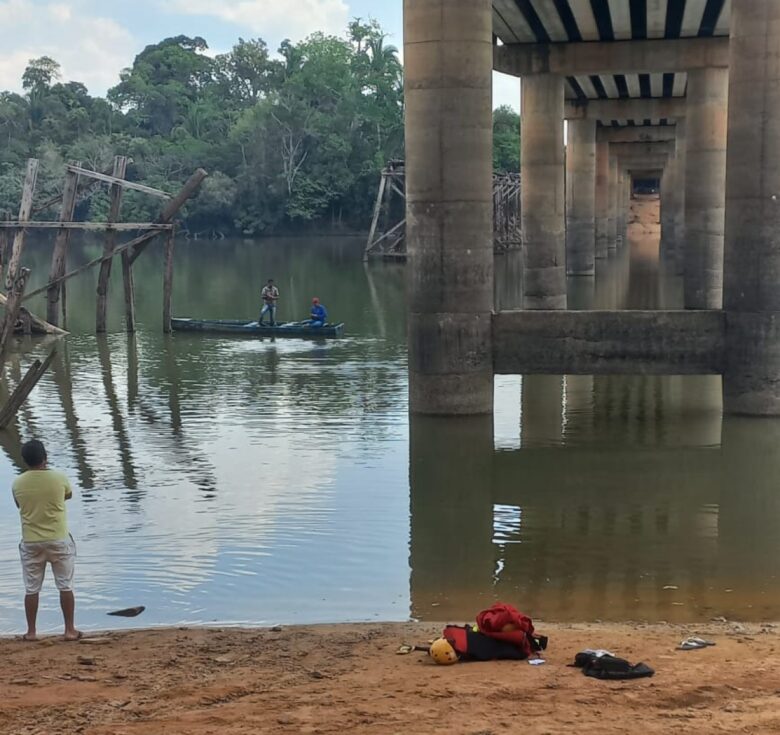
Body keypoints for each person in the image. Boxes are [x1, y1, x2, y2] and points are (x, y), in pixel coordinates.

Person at [12, 440, 80, 641]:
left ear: (24, 460)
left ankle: (31, 632)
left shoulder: (17, 483)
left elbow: (18, 504)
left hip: (31, 541)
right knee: (65, 585)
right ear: (45, 457)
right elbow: (67, 496)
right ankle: (69, 630)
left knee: (32, 588)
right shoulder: (59, 478)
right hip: (58, 539)